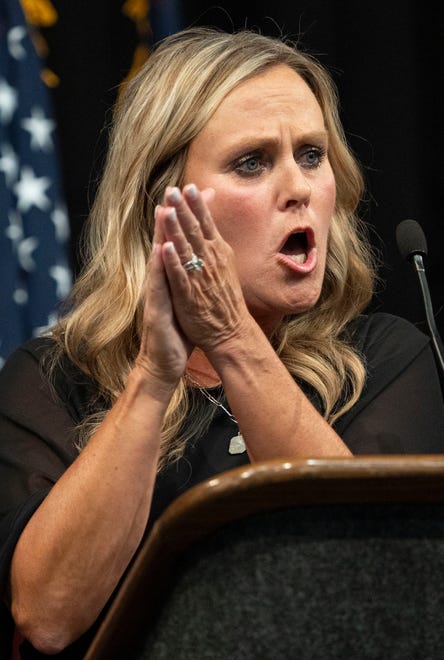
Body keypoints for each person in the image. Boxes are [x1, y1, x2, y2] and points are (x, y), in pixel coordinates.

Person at [1, 25, 443, 659]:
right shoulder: (53, 380)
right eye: (252, 162)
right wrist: (154, 376)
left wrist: (232, 338)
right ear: (162, 202)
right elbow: (48, 616)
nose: (297, 188)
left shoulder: (383, 361)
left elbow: (367, 579)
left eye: (312, 155)